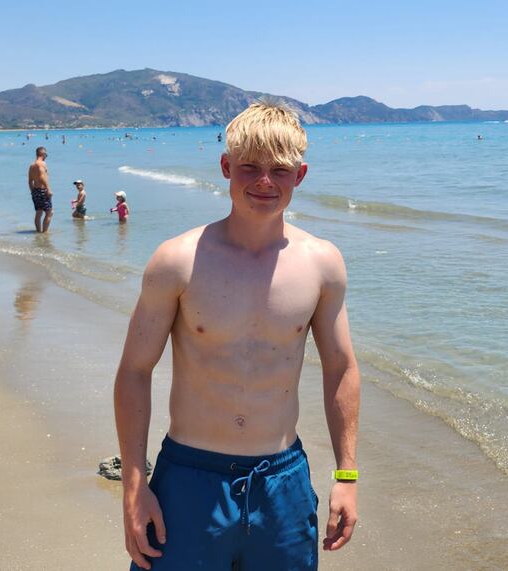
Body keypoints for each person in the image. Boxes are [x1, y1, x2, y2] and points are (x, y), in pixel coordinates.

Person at [114, 100, 360, 571]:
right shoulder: (177, 261)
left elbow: (341, 368)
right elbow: (134, 371)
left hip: (281, 482)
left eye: (279, 170)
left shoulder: (322, 264)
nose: (264, 181)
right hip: (189, 476)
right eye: (249, 167)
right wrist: (133, 485)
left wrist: (346, 476)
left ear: (300, 175)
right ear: (226, 167)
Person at [28, 147, 53, 232]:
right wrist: (48, 189)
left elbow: (30, 181)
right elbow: (42, 177)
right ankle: (44, 233)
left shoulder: (32, 165)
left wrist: (33, 192)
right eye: (46, 154)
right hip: (43, 191)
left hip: (35, 191)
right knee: (49, 212)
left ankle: (38, 232)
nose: (46, 156)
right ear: (43, 154)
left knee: (38, 213)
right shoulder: (42, 163)